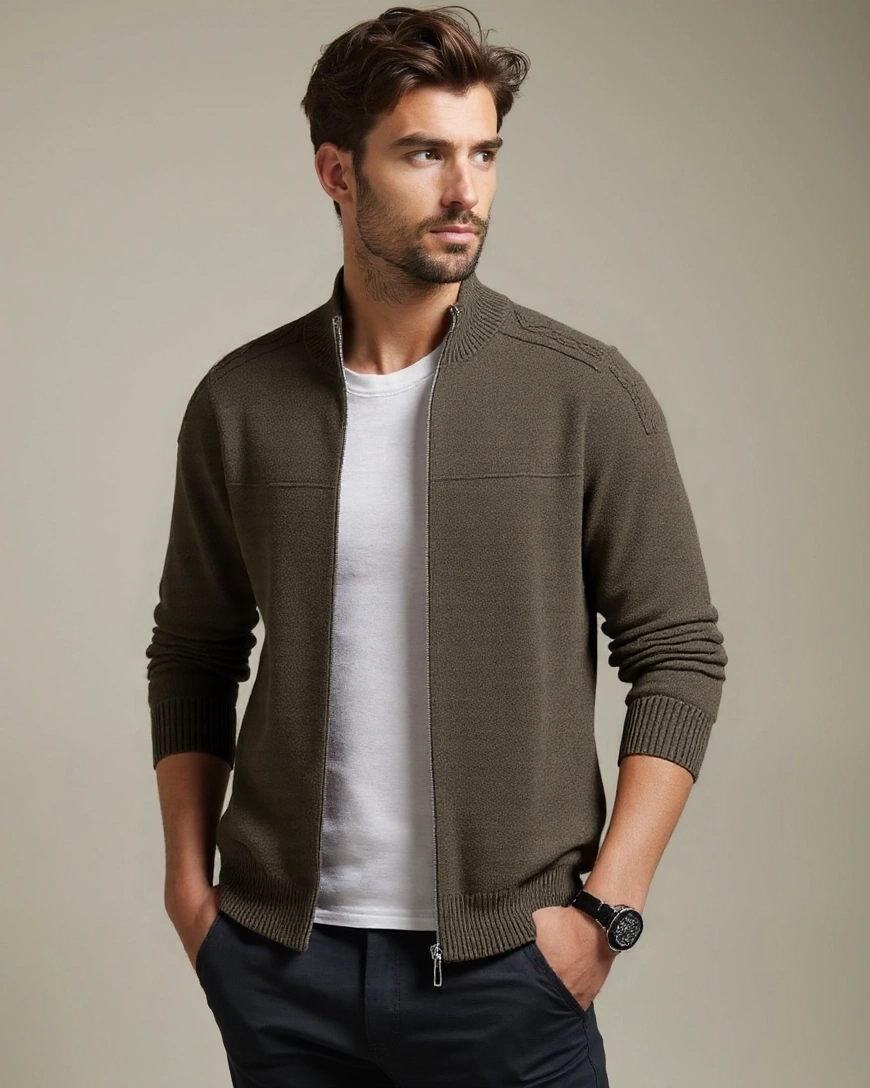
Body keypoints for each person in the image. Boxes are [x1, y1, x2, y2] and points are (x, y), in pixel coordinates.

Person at [145, 6, 728, 1086]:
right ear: (338, 171)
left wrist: (609, 906)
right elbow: (193, 650)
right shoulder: (240, 401)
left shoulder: (581, 393)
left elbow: (679, 653)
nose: (466, 190)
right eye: (424, 154)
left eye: (484, 153)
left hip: (511, 968)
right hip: (283, 965)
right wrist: (191, 891)